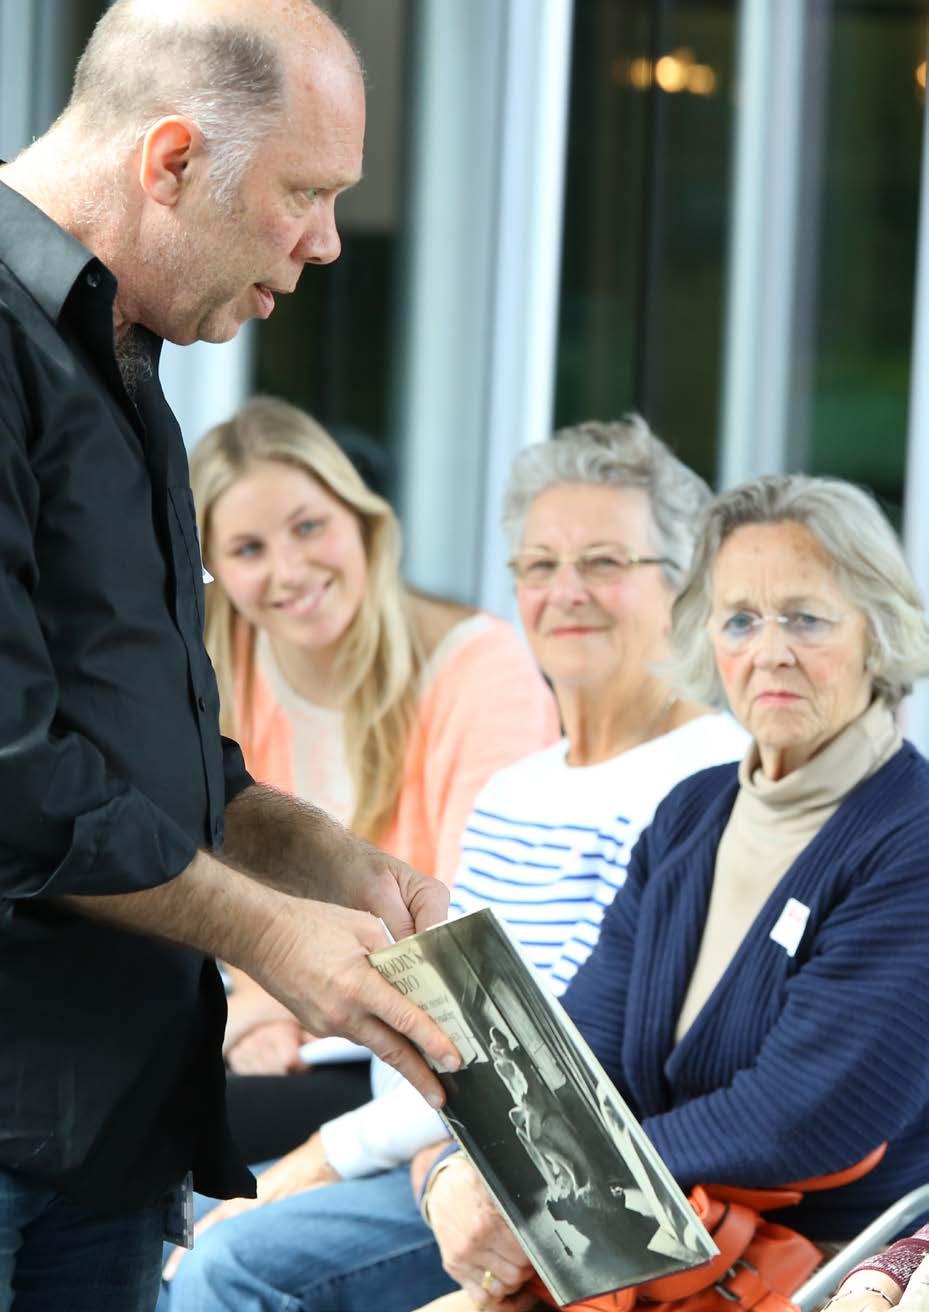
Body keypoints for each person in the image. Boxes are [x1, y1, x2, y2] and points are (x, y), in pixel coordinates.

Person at [0, 3, 462, 1309]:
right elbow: (15, 770)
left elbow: (132, 736)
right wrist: (277, 938)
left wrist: (315, 854)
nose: (324, 243)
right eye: (305, 193)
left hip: (110, 1133)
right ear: (171, 159)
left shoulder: (122, 337)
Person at [161, 417, 749, 1312]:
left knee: (227, 1261)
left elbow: (570, 1055)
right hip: (439, 1149)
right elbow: (439, 1001)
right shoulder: (518, 790)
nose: (567, 593)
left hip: (571, 1185)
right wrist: (423, 1160)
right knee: (156, 1212)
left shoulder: (708, 778)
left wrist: (336, 1154)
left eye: (603, 563)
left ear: (681, 584)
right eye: (540, 566)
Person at [403, 472, 929, 1312]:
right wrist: (464, 1171)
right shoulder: (691, 812)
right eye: (739, 620)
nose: (769, 651)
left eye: (805, 617)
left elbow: (802, 1114)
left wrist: (555, 1187)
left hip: (826, 1272)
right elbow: (579, 1055)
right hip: (651, 1249)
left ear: (877, 632)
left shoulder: (910, 834)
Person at [189, 394, 559, 1153]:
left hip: (423, 1050)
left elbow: (472, 920)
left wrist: (279, 1003)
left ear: (362, 521)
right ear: (215, 568)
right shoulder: (223, 667)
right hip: (283, 1029)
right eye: (248, 549)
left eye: (308, 527)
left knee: (164, 1135)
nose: (288, 570)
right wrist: (259, 1005)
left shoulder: (478, 668)